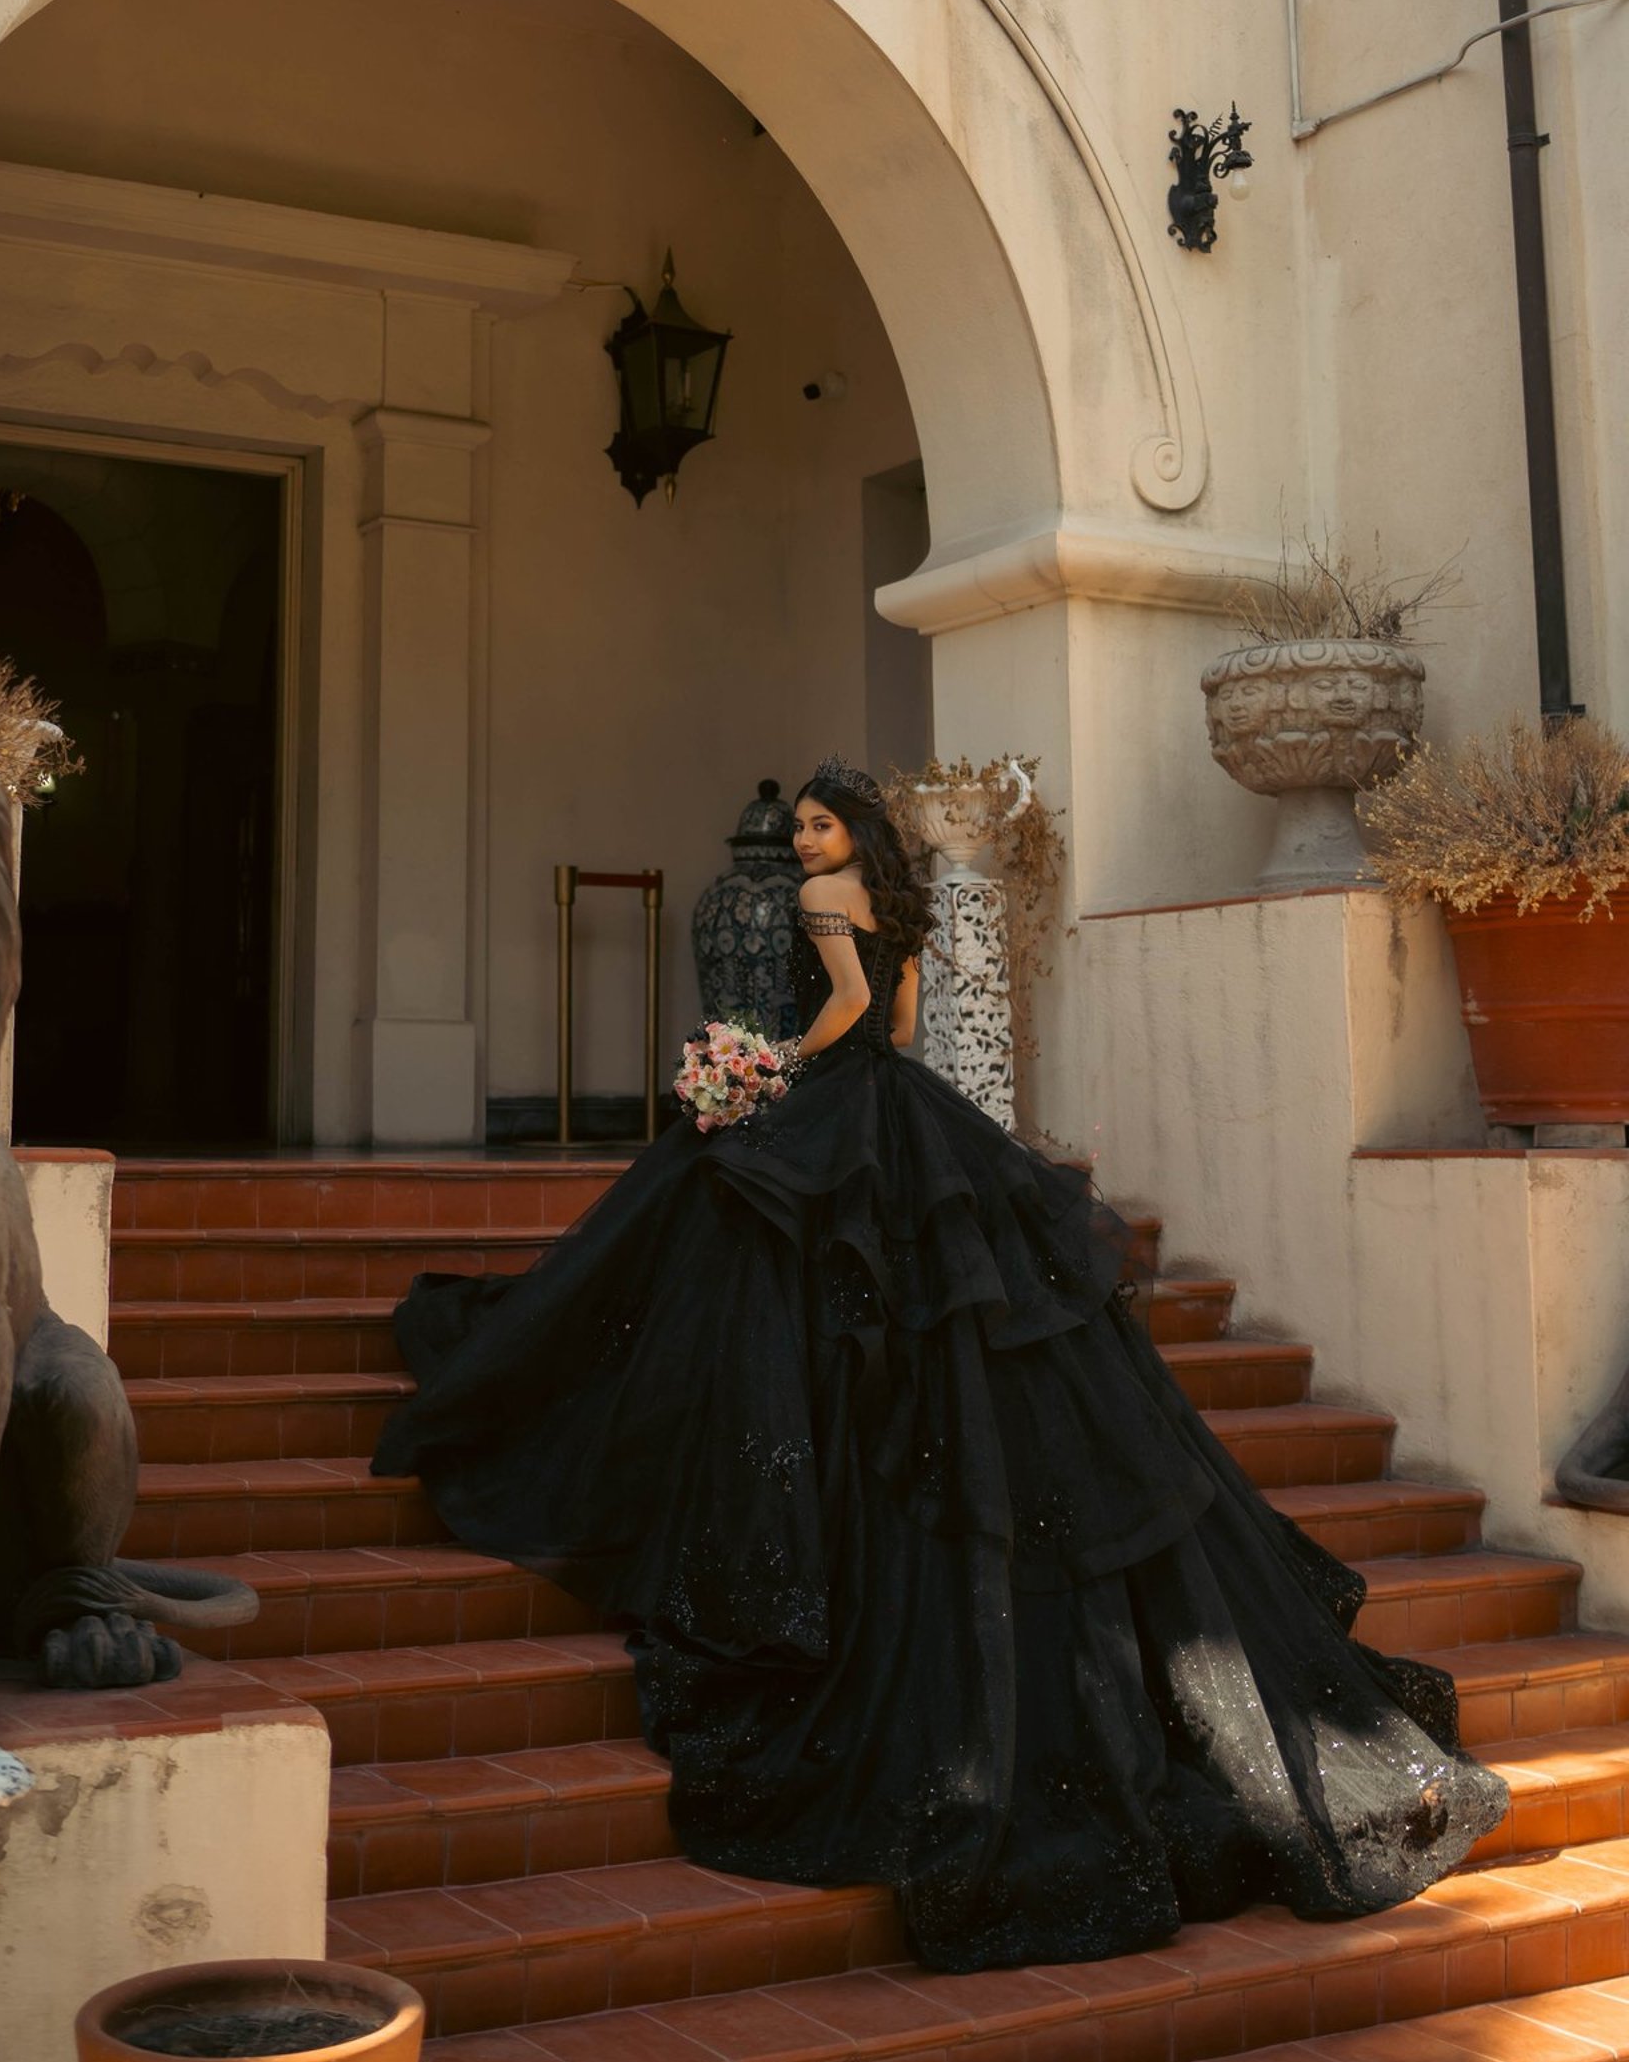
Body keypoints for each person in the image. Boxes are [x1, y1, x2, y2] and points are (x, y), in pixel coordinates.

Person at [372, 755, 1507, 1971]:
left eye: (820, 824)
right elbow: (908, 1026)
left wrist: (768, 1071)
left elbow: (859, 1012)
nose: (805, 842)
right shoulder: (896, 901)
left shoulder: (821, 905)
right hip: (906, 1118)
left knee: (744, 1246)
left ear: (850, 832)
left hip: (841, 1105)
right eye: (802, 827)